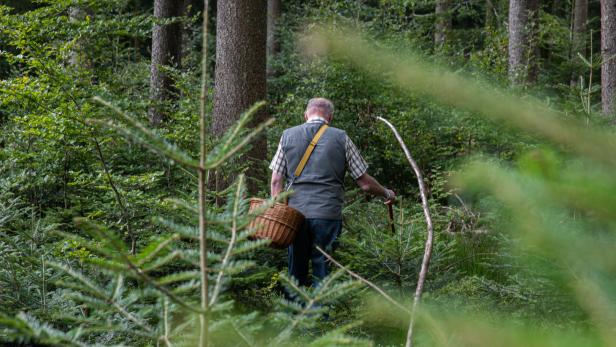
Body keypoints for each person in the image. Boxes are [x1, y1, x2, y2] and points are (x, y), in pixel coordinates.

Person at [269, 97, 396, 288]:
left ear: (305, 115)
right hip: (327, 214)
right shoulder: (341, 137)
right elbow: (365, 184)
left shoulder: (287, 135)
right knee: (323, 270)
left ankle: (294, 315)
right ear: (331, 117)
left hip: (294, 216)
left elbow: (276, 181)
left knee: (296, 271)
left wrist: (278, 213)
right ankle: (323, 317)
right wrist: (387, 193)